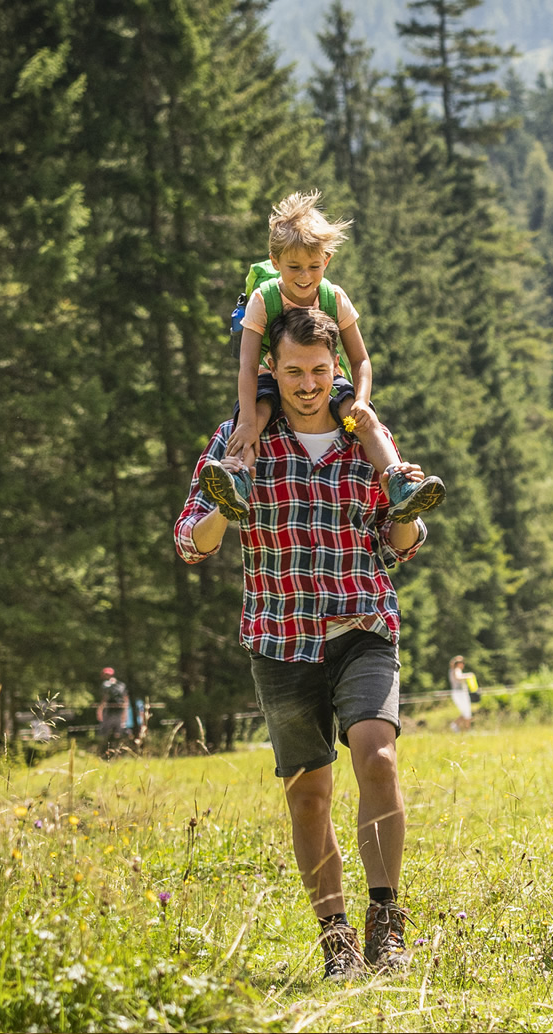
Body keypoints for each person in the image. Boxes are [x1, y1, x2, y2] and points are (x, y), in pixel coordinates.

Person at [174, 305, 429, 981]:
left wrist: (404, 514)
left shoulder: (365, 438)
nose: (308, 383)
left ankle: (386, 923)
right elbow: (189, 540)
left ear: (336, 370)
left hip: (361, 623)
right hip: (280, 637)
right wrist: (221, 515)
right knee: (309, 794)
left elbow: (400, 543)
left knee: (377, 756)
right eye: (294, 371)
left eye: (320, 370)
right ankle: (335, 936)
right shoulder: (241, 439)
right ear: (272, 370)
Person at [196, 191, 443, 527]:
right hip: (274, 373)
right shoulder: (262, 299)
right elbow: (249, 365)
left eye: (314, 266)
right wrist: (247, 419)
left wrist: (363, 400)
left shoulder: (333, 297)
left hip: (327, 374)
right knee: (257, 416)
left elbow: (360, 360)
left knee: (362, 422)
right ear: (275, 261)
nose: (304, 276)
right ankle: (238, 481)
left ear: (326, 261)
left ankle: (397, 482)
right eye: (293, 267)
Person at [95, 668, 129, 748]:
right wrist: (125, 712)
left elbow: (105, 698)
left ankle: (105, 750)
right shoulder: (121, 685)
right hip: (120, 710)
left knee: (105, 732)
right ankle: (116, 750)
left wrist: (100, 710)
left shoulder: (106, 684)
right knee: (118, 732)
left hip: (109, 711)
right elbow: (125, 699)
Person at [448, 656, 476, 731]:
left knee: (465, 713)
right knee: (467, 712)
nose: (463, 664)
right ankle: (467, 729)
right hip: (460, 693)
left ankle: (455, 725)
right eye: (462, 663)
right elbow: (458, 677)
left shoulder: (451, 670)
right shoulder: (457, 670)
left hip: (457, 693)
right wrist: (468, 675)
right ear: (459, 664)